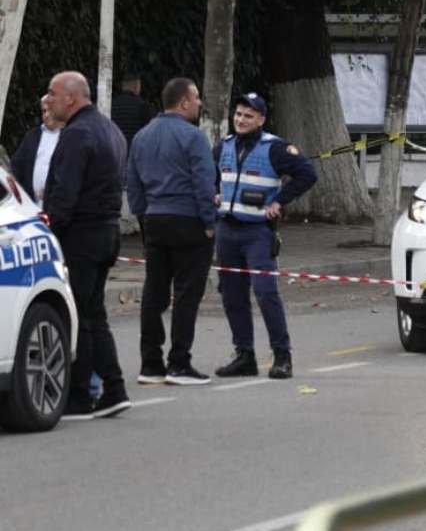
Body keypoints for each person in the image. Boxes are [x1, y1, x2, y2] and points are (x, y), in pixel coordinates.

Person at [42, 71, 131, 420]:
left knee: (76, 317)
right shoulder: (109, 129)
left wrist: (48, 229)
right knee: (93, 315)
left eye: (52, 93)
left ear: (70, 98)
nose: (48, 100)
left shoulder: (77, 134)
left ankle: (80, 395)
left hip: (80, 236)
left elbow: (65, 194)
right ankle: (114, 389)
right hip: (107, 232)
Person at [213, 93, 317, 380]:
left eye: (248, 116)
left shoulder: (276, 148)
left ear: (261, 120)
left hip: (257, 232)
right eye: (238, 114)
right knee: (232, 295)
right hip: (227, 231)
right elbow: (211, 175)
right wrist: (213, 192)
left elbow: (307, 174)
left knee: (265, 292)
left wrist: (280, 201)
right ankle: (244, 355)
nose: (240, 120)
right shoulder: (224, 145)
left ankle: (282, 356)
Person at [126, 78, 218, 387]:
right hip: (189, 220)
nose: (200, 103)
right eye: (196, 97)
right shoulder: (193, 137)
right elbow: (204, 182)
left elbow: (133, 182)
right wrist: (209, 222)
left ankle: (150, 364)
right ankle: (179, 363)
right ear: (184, 102)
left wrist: (143, 217)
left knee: (154, 293)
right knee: (186, 294)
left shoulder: (141, 136)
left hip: (154, 219)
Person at [10, 95, 63, 200]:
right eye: (44, 111)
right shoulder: (33, 135)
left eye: (50, 110)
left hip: (58, 203)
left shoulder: (70, 135)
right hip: (31, 203)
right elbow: (17, 165)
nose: (46, 115)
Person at [111, 74, 155, 154]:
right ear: (136, 87)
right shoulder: (143, 106)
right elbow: (150, 135)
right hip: (135, 152)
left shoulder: (111, 105)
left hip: (115, 151)